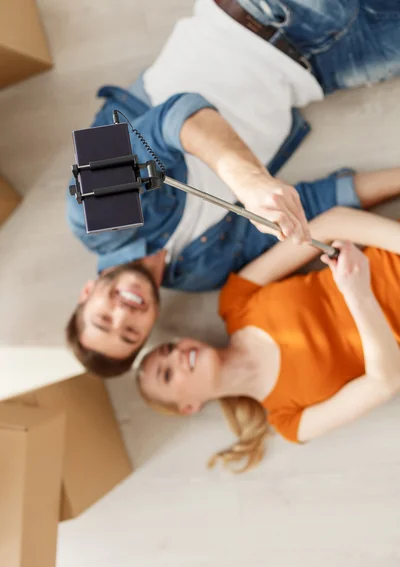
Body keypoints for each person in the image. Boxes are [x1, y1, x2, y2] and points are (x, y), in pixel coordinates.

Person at [66, 0, 400, 376]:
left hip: (258, 16)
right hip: (317, 72)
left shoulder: (92, 217)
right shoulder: (202, 273)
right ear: (147, 335)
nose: (123, 313)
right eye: (130, 333)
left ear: (86, 295)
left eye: (103, 320)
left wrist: (250, 181)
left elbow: (178, 114)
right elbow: (311, 206)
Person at [136, 202, 400, 472]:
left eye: (168, 348)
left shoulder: (235, 303)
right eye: (166, 373)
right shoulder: (290, 421)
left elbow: (332, 224)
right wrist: (357, 294)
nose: (177, 354)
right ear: (189, 407)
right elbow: (386, 382)